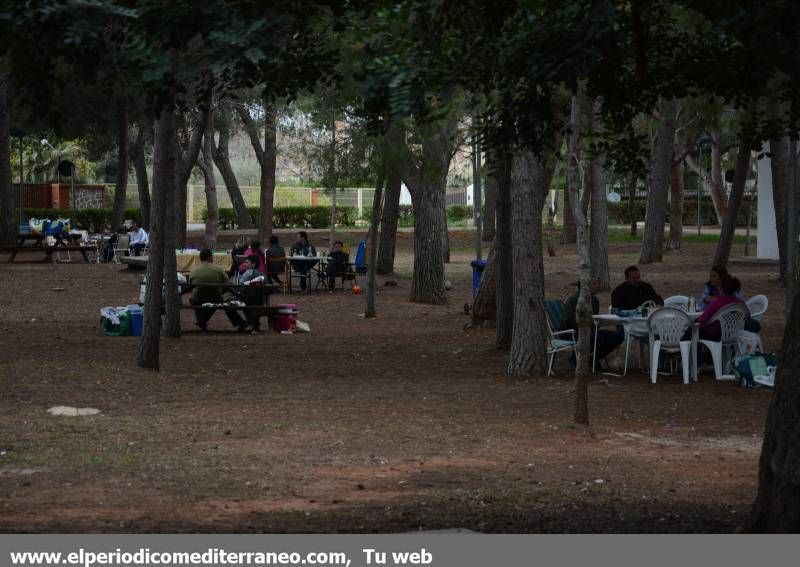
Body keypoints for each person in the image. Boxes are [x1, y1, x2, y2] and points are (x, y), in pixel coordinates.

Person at [562, 278, 624, 366]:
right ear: (585, 287)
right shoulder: (573, 300)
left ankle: (592, 358)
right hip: (572, 333)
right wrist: (586, 322)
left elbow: (594, 321)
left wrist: (594, 323)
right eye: (594, 284)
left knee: (618, 336)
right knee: (597, 337)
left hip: (590, 332)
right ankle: (578, 359)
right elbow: (567, 322)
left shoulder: (594, 301)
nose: (597, 286)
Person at [188, 248, 243, 331]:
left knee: (200, 302)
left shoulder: (193, 271)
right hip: (214, 297)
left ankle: (201, 320)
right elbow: (227, 283)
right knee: (223, 301)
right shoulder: (218, 269)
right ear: (210, 257)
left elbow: (190, 285)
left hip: (197, 298)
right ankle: (240, 322)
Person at [696, 275, 755, 340]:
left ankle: (685, 349)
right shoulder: (741, 303)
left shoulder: (716, 303)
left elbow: (702, 320)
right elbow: (748, 316)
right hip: (733, 334)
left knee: (691, 330)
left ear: (721, 288)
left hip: (714, 335)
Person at [233, 255, 267, 332]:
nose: (245, 264)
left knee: (235, 300)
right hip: (260, 300)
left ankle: (250, 323)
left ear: (253, 264)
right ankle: (254, 323)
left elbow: (239, 286)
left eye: (247, 262)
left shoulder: (248, 273)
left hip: (248, 299)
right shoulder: (262, 274)